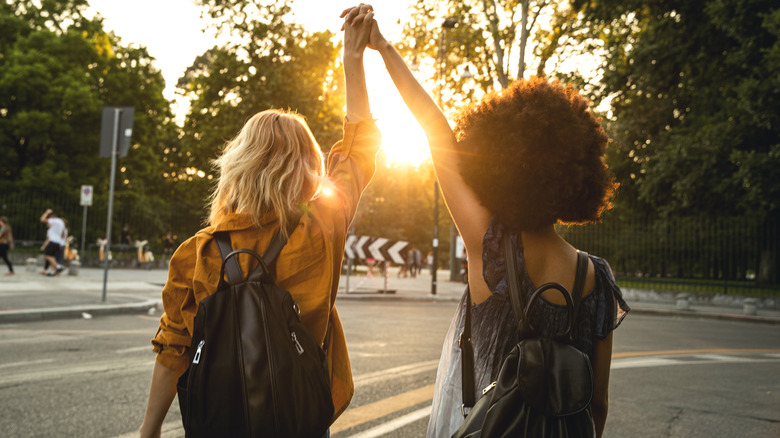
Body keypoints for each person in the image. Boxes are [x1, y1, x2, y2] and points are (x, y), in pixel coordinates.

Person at [343, 8, 630, 437]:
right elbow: (598, 405)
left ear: (501, 167)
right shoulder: (598, 279)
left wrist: (381, 50)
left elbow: (434, 128)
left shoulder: (490, 245)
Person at [139, 6, 380, 437]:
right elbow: (361, 142)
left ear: (239, 164)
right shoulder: (320, 226)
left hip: (219, 420)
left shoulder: (196, 253)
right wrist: (352, 58)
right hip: (297, 417)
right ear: (307, 168)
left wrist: (149, 429)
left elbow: (174, 349)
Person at [39, 209, 66, 276]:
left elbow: (42, 219)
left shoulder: (54, 220)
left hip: (53, 241)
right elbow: (63, 234)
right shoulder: (61, 222)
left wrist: (46, 212)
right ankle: (52, 272)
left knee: (47, 255)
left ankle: (58, 267)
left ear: (51, 217)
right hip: (59, 242)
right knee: (53, 257)